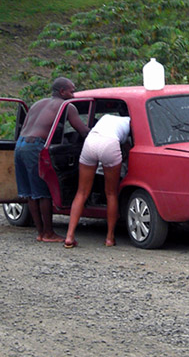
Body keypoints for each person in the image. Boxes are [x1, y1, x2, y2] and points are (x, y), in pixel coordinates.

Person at [15, 77, 90, 243]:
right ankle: (48, 233)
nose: (74, 94)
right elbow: (83, 131)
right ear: (62, 91)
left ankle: (41, 233)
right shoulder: (66, 106)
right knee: (43, 192)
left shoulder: (37, 104)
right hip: (35, 146)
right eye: (72, 91)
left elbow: (26, 125)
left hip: (20, 145)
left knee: (31, 193)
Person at [63, 114, 131, 249]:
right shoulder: (130, 123)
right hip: (110, 143)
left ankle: (69, 236)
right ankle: (110, 238)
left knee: (81, 192)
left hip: (91, 141)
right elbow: (128, 147)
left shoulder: (106, 117)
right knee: (111, 193)